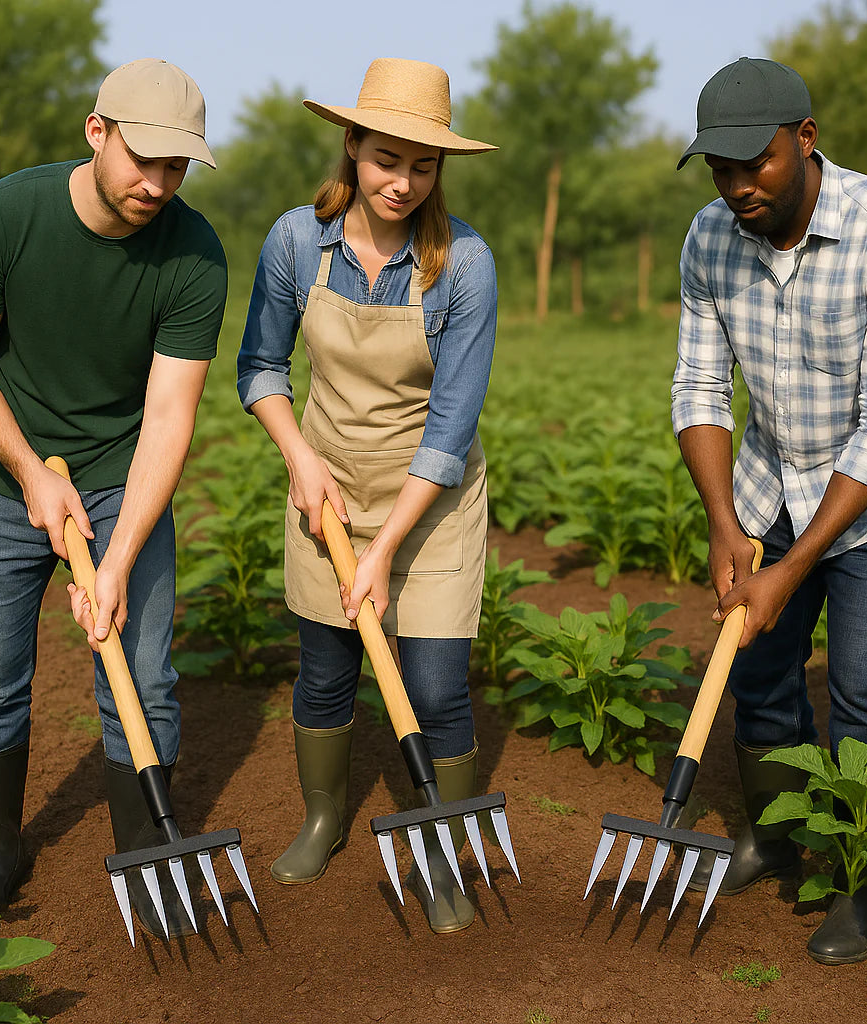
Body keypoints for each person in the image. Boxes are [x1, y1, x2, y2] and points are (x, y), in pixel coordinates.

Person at [0, 58, 227, 935]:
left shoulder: (194, 253)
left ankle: (146, 851)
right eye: (143, 159)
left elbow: (168, 416)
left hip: (120, 480)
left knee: (143, 675)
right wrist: (30, 471)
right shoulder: (6, 215)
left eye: (176, 167)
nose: (157, 184)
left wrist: (120, 555)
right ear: (97, 132)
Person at [672, 56, 867, 964]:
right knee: (759, 672)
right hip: (769, 478)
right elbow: (700, 387)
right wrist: (727, 526)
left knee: (864, 689)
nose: (737, 186)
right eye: (720, 169)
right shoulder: (710, 238)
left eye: (755, 162)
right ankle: (774, 836)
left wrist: (791, 569)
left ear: (806, 139)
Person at [238, 57, 498, 934]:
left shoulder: (464, 263)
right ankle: (323, 819)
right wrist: (300, 461)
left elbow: (451, 426)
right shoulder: (295, 242)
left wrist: (385, 551)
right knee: (325, 673)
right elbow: (261, 367)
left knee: (436, 688)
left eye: (423, 165)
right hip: (329, 490)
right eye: (387, 158)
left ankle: (440, 852)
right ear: (351, 145)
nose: (403, 182)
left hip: (431, 499)